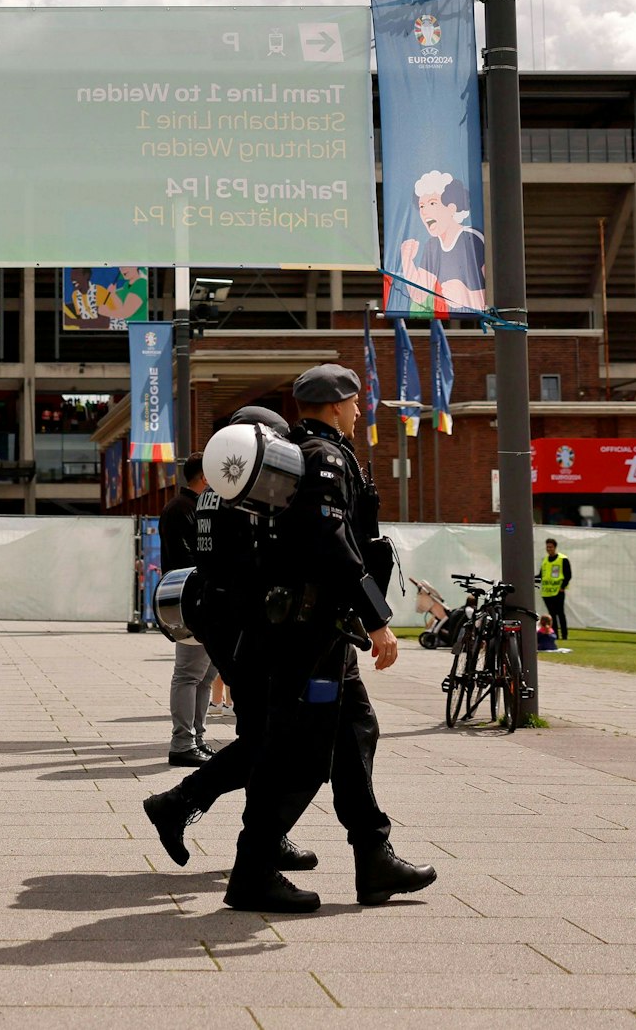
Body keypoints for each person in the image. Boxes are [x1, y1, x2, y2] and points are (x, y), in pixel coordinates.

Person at [144, 373, 435, 913]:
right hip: (310, 632)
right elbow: (330, 539)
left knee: (354, 733)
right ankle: (252, 868)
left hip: (310, 631)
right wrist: (377, 616)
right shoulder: (321, 455)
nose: (358, 411)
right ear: (339, 404)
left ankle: (373, 856)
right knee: (296, 753)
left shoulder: (292, 455)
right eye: (354, 402)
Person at [159, 454, 218, 766]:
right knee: (189, 673)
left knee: (205, 674)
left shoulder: (193, 507)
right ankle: (183, 742)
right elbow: (186, 558)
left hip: (199, 598)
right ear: (204, 478)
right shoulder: (182, 509)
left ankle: (195, 738)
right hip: (190, 600)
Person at [396, 171, 486, 313]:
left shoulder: (472, 239)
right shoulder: (432, 246)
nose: (424, 211)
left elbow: (496, 288)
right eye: (422, 206)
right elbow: (419, 295)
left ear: (451, 208)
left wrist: (468, 294)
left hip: (483, 321)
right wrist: (407, 261)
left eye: (432, 203)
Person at [538, 538, 572, 641]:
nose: (549, 549)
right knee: (552, 614)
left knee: (560, 613)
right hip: (547, 592)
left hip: (558, 591)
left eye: (551, 547)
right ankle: (554, 634)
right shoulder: (545, 560)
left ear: (555, 547)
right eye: (547, 547)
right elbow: (541, 575)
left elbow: (568, 575)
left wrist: (562, 587)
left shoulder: (562, 559)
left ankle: (564, 635)